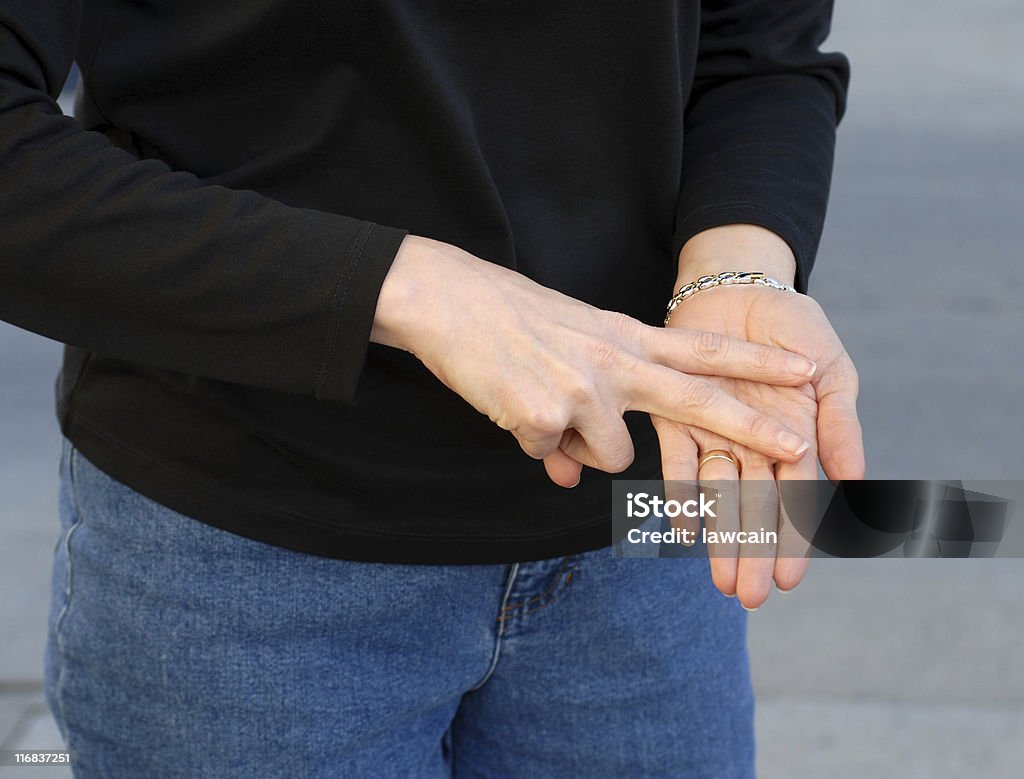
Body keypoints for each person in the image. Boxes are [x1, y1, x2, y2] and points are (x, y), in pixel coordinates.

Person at [0, 1, 863, 776]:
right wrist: (410, 288)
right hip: (246, 559)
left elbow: (758, 42)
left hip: (650, 514)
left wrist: (739, 269)